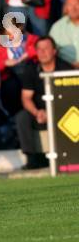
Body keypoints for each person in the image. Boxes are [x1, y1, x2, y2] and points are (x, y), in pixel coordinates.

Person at [16, 36, 72, 169]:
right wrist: (37, 112)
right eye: (39, 49)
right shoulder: (31, 69)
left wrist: (52, 113)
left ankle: (69, 156)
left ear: (54, 51)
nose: (42, 52)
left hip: (62, 111)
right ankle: (31, 158)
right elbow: (26, 98)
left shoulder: (65, 69)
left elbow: (71, 99)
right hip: (39, 113)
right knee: (22, 117)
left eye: (46, 49)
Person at [49, 0, 79, 68]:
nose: (74, 8)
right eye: (70, 5)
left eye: (77, 4)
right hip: (65, 69)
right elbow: (51, 51)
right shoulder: (57, 27)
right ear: (65, 8)